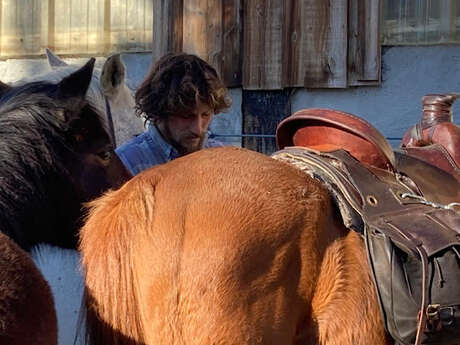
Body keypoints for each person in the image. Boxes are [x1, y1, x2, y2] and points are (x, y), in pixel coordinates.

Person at [116, 52, 232, 176]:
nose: (198, 129)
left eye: (205, 115)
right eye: (186, 116)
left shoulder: (221, 158)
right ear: (160, 113)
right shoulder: (126, 163)